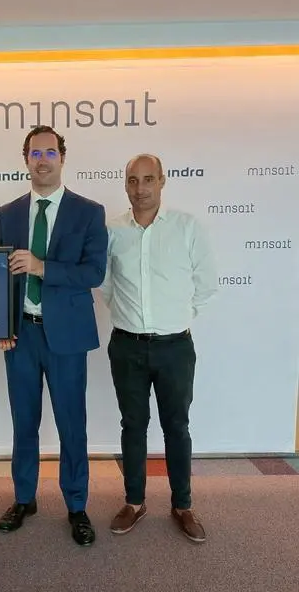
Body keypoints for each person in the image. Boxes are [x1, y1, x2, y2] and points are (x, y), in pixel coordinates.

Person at [0, 125, 108, 546]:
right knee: (24, 422)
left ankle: (77, 505)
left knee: (71, 425)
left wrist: (42, 267)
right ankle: (24, 499)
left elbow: (93, 272)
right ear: (25, 159)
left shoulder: (88, 212)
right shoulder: (8, 213)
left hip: (67, 338)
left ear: (62, 157)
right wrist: (2, 327)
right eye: (35, 153)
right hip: (21, 336)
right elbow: (1, 278)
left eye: (49, 152)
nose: (42, 160)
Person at [100, 153, 218, 543]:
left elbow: (206, 284)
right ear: (125, 185)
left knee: (177, 426)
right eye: (133, 180)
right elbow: (105, 284)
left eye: (148, 179)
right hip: (127, 346)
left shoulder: (187, 227)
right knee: (133, 426)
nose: (141, 188)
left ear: (163, 181)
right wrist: (128, 316)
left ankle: (182, 505)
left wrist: (176, 318)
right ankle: (134, 502)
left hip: (175, 348)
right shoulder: (112, 231)